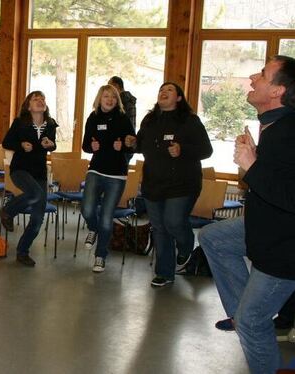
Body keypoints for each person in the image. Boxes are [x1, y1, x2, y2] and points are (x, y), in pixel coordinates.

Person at [198, 55, 295, 373]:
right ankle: (242, 311)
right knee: (214, 237)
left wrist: (252, 164)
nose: (253, 77)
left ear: (278, 90)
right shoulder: (275, 125)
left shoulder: (290, 131)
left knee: (254, 324)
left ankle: (248, 317)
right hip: (266, 227)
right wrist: (256, 158)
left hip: (285, 249)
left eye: (263, 74)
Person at [125, 82, 212, 287]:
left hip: (182, 184)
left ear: (179, 98)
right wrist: (132, 143)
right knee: (159, 228)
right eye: (161, 90)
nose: (164, 92)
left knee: (173, 222)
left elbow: (206, 150)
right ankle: (164, 273)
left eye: (170, 90)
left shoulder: (190, 121)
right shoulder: (150, 120)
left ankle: (185, 246)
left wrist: (183, 150)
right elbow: (141, 145)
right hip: (153, 183)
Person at [80, 85, 136, 273]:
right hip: (95, 170)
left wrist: (125, 147)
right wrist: (91, 146)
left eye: (113, 97)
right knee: (87, 209)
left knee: (106, 217)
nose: (110, 99)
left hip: (116, 174)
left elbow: (133, 144)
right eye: (106, 96)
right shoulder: (93, 117)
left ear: (117, 100)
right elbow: (85, 145)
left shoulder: (123, 119)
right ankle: (93, 229)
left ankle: (100, 256)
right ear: (100, 98)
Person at [0, 91, 58, 267]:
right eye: (36, 99)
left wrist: (51, 145)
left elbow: (52, 144)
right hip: (20, 169)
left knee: (38, 218)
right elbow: (6, 143)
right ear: (28, 105)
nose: (40, 101)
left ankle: (23, 251)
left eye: (43, 98)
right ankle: (8, 211)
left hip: (39, 172)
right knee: (36, 194)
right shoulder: (20, 123)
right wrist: (20, 145)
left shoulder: (51, 124)